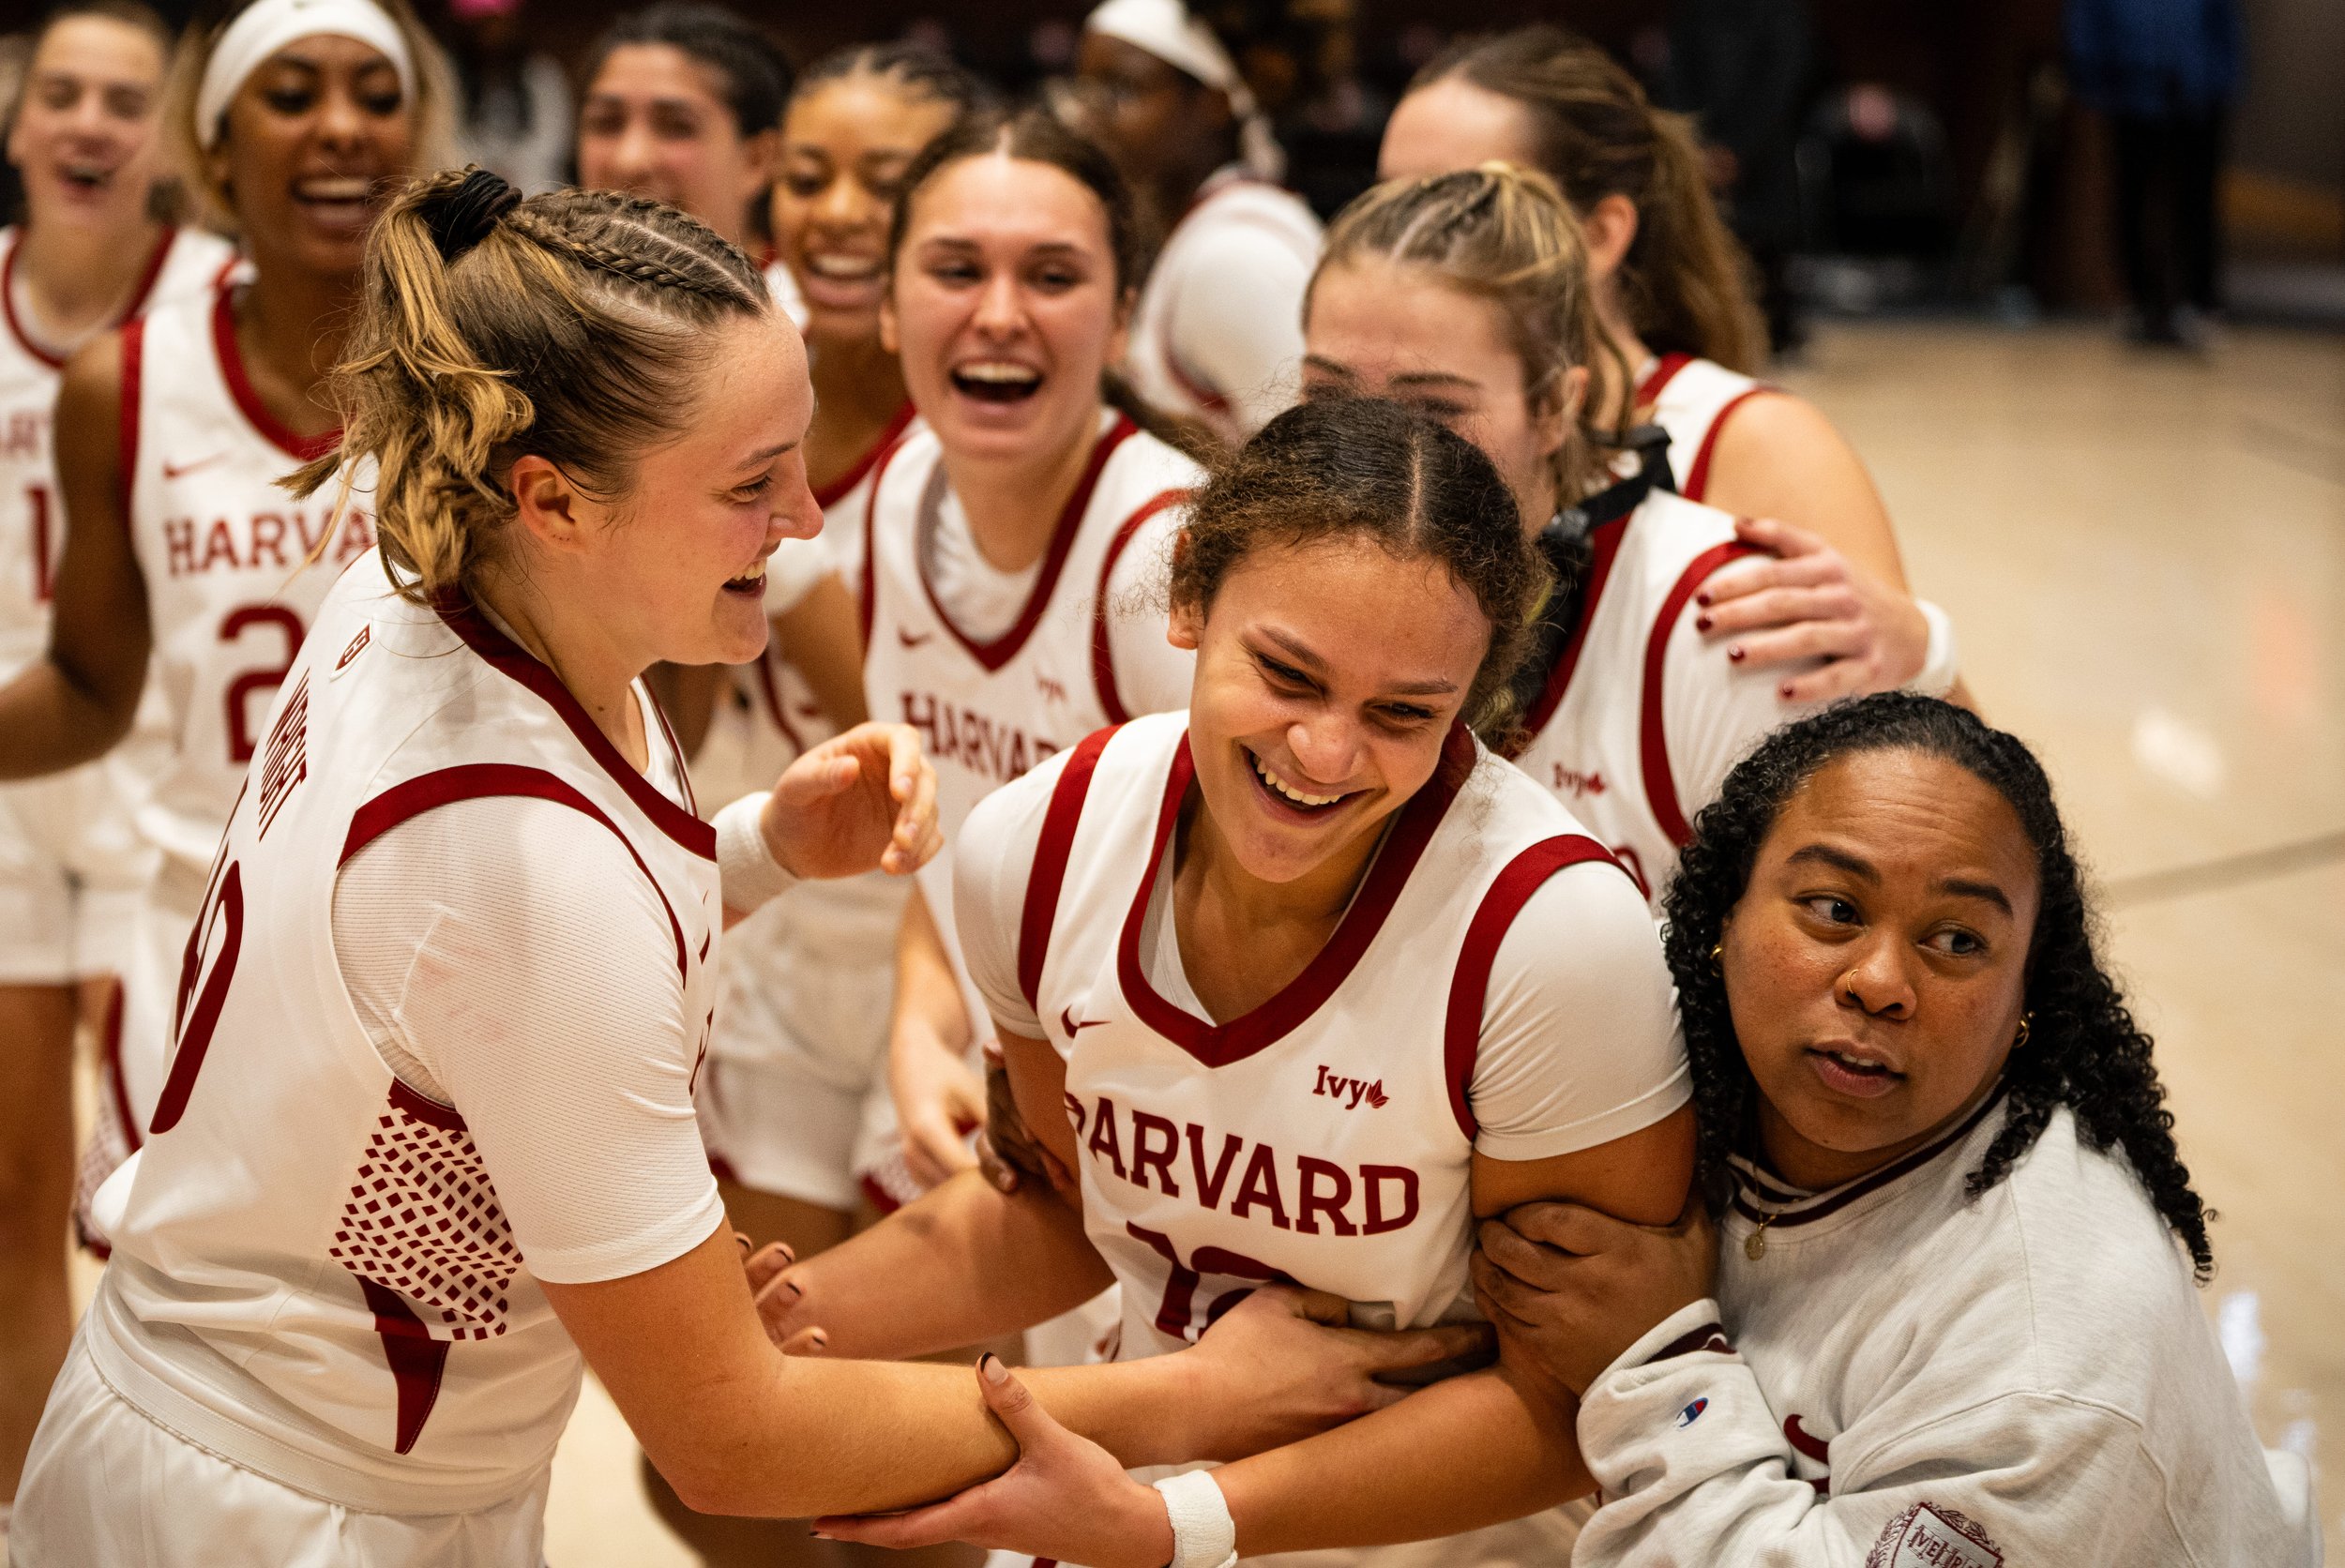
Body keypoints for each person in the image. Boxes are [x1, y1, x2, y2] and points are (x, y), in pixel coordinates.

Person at [10, 165, 1476, 1568]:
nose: (805, 520)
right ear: (557, 500)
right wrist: (1200, 1399)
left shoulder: (424, 588)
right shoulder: (528, 880)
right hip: (283, 1509)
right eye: (753, 483)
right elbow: (731, 1440)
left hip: (258, 1411)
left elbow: (439, 981)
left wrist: (757, 848)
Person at [753, 396, 1695, 1567]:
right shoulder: (1036, 847)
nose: (1325, 753)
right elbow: (1071, 1212)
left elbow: (1580, 1403)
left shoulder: (1554, 939)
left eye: (1405, 712)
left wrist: (1175, 1523)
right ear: (1191, 589)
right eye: (1289, 675)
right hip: (1127, 1498)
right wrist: (777, 1333)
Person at [1468, 692, 2320, 1565]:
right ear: (1724, 917)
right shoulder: (1623, 1039)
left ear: (2026, 995)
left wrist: (1659, 1367)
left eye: (1956, 941)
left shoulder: (2050, 1357)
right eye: (1833, 909)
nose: (1880, 983)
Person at [0, 0, 452, 1241]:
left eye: (375, 93)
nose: (341, 129)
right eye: (293, 94)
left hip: (433, 926)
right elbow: (93, 688)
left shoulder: (487, 364)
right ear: (214, 141)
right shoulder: (127, 383)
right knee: (189, 1336)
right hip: (206, 927)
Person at [1301, 165, 1842, 902]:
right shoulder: (1265, 586)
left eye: (1434, 411)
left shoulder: (1725, 621)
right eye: (1326, 396)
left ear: (1556, 405)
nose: (1370, 452)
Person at [1381, 26, 1963, 706]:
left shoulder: (1758, 447)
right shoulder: (1373, 408)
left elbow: (1927, 772)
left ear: (1600, 234)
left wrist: (1927, 655)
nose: (1401, 246)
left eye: (1461, 207)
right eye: (1385, 204)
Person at [864, 105, 1203, 1210]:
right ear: (883, 304)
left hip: (1174, 1143)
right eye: (955, 268)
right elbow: (952, 838)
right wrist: (923, 1027)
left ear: (1120, 322)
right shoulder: (899, 487)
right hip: (1011, 1110)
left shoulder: (1167, 553)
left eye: (1051, 276)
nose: (998, 315)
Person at [689, 43, 990, 1269]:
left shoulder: (993, 406)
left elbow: (938, 734)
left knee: (910, 1409)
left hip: (943, 952)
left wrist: (782, 568)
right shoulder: (720, 362)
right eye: (810, 176)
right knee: (737, 1397)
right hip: (772, 924)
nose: (842, 213)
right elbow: (687, 718)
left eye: (889, 177)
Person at [0, 0, 234, 1539]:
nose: (91, 123)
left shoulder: (233, 307)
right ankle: (36, 1513)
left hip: (184, 794)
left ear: (176, 135)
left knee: (183, 1211)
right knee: (20, 1191)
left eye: (125, 99)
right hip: (19, 775)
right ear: (16, 121)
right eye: (62, 95)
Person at [1074, 0, 1321, 447]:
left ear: (1214, 103)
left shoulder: (1235, 254)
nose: (1091, 117)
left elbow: (1315, 469)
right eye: (1086, 91)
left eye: (1122, 89)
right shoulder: (1207, 229)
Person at [574, 0, 805, 327]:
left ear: (758, 160)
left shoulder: (810, 330)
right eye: (606, 122)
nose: (631, 160)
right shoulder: (537, 312)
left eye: (676, 127)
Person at [2065, 0, 2241, 348]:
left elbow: (2226, 27)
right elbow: (2086, 24)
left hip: (2196, 95)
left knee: (2196, 202)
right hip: (2131, 93)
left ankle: (2198, 302)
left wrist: (2221, 83)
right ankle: (2140, 300)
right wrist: (2093, 82)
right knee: (2130, 196)